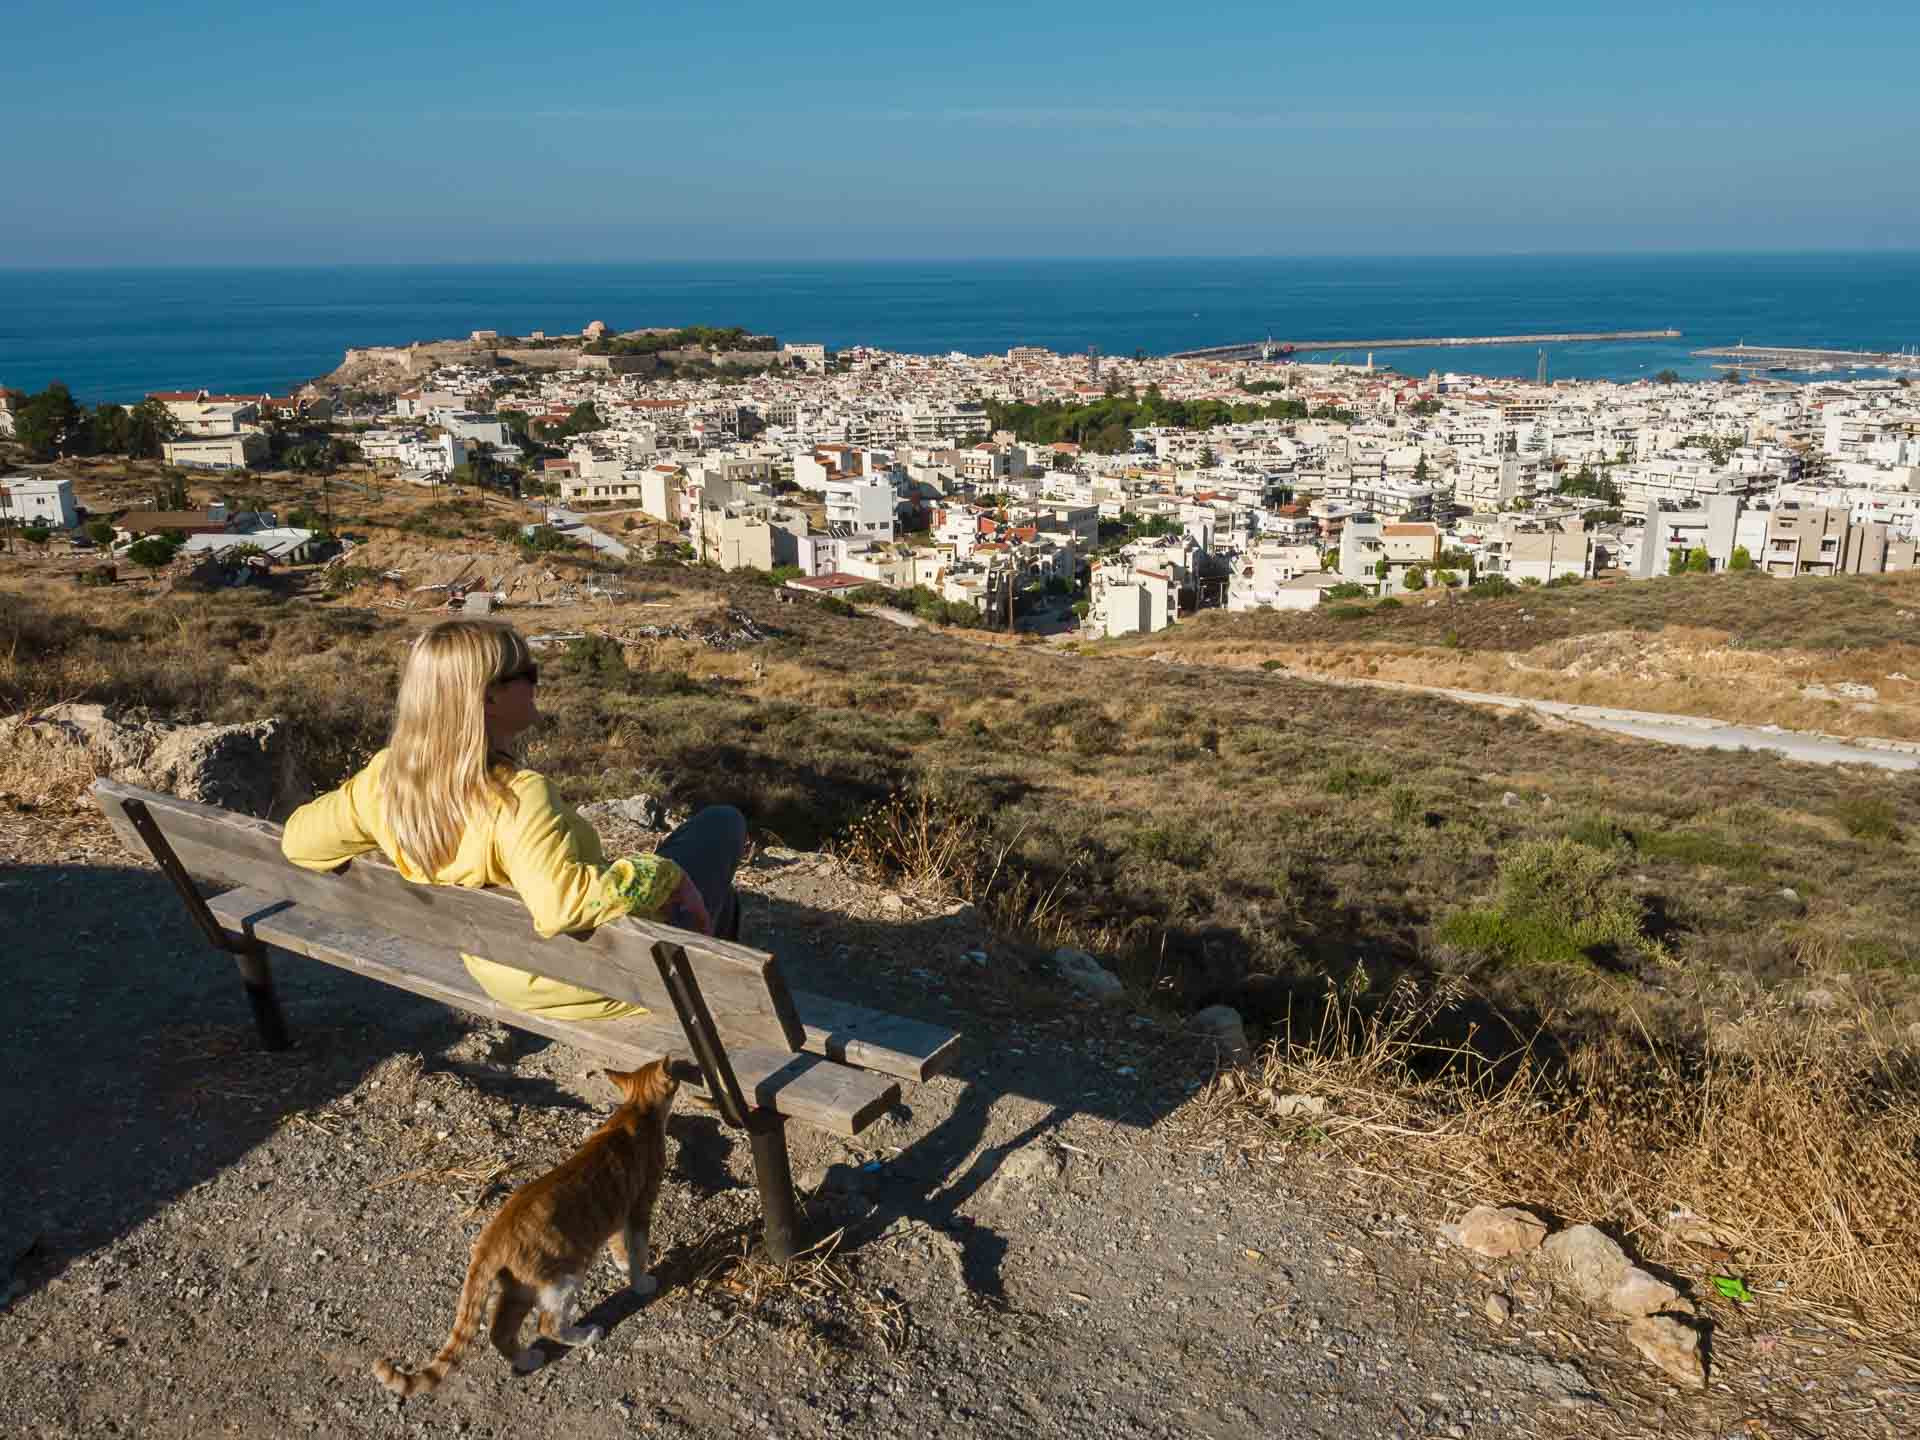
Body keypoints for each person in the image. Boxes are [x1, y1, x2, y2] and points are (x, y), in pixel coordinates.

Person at [281, 618, 745, 1021]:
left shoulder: (384, 781)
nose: (536, 683)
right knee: (721, 825)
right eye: (528, 674)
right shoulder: (519, 797)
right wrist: (663, 873)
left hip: (505, 973)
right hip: (595, 983)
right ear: (488, 698)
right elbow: (561, 906)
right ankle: (708, 1019)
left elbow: (298, 843)